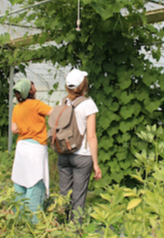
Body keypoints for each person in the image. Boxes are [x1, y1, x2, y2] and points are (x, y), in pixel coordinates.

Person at [57, 69, 102, 223]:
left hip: (63, 152)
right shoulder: (88, 104)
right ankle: (75, 230)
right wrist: (96, 164)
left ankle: (60, 227)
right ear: (84, 85)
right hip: (82, 155)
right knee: (78, 197)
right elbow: (91, 136)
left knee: (64, 193)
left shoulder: (63, 102)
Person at [11, 79, 53, 224]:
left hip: (22, 148)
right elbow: (54, 114)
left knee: (20, 182)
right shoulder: (36, 104)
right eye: (32, 84)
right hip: (36, 149)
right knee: (35, 183)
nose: (34, 86)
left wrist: (24, 125)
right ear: (30, 90)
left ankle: (19, 221)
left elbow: (14, 129)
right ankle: (34, 223)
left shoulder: (17, 108)